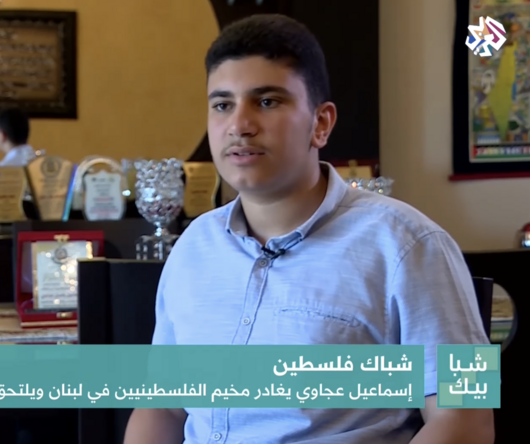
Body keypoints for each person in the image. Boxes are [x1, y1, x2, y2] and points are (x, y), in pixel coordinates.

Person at [124, 14, 493, 444]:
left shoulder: (408, 244)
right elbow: (162, 407)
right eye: (222, 104)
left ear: (321, 123)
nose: (239, 124)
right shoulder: (193, 248)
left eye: (267, 102)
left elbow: (466, 419)